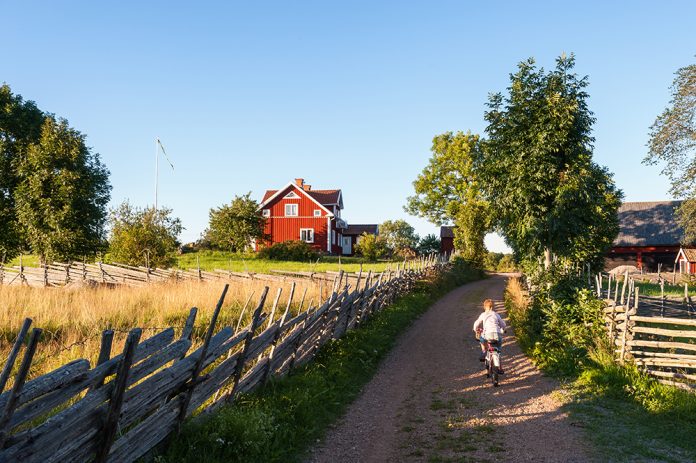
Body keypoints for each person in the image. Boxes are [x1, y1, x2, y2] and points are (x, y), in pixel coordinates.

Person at [472, 299, 506, 372]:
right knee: (498, 350)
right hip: (497, 334)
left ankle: (484, 351)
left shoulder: (483, 314)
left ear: (484, 307)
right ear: (492, 307)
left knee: (481, 339)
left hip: (487, 335)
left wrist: (475, 330)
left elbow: (476, 324)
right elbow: (503, 324)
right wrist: (503, 329)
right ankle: (500, 367)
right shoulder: (496, 314)